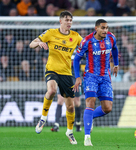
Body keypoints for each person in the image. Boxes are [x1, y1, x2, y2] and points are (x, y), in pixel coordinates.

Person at [29, 10, 83, 145]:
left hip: (66, 73)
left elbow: (86, 47)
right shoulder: (50, 33)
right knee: (52, 90)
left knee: (70, 107)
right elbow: (31, 43)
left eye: (70, 20)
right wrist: (39, 43)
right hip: (52, 70)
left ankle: (69, 132)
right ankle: (43, 118)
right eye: (66, 20)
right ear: (61, 21)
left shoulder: (76, 36)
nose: (69, 22)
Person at [73, 19, 119, 146]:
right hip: (90, 76)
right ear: (96, 28)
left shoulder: (111, 38)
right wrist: (77, 77)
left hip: (105, 76)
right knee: (90, 102)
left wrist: (116, 64)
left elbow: (115, 49)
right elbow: (76, 60)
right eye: (103, 28)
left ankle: (90, 117)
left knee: (108, 108)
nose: (105, 30)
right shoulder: (86, 41)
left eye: (107, 28)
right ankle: (87, 137)